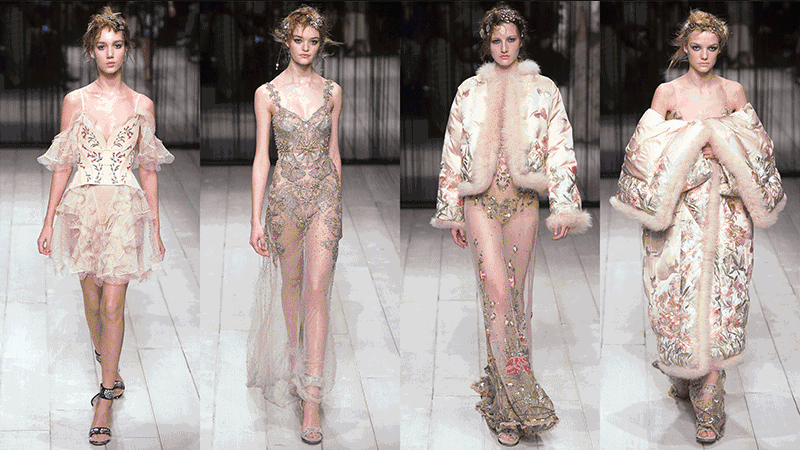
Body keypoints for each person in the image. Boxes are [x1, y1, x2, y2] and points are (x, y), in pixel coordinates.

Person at [610, 10, 785, 443]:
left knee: (725, 294)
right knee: (676, 291)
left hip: (727, 210)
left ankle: (710, 396)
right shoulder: (667, 93)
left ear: (719, 49)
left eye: (711, 48)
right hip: (678, 212)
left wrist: (719, 144)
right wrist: (695, 143)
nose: (703, 55)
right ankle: (685, 369)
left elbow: (758, 149)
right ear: (684, 48)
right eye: (696, 47)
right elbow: (643, 152)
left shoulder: (733, 91)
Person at [431, 4, 591, 446]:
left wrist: (564, 205)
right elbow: (452, 150)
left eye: (511, 40)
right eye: (496, 40)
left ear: (522, 42)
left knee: (516, 301)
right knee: (497, 293)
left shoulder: (543, 89)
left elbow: (560, 148)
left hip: (523, 202)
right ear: (488, 44)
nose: (504, 48)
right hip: (479, 203)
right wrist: (451, 210)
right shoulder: (469, 91)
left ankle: (503, 395)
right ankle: (512, 406)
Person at [35, 6, 173, 446]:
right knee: (92, 298)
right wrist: (48, 221)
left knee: (113, 304)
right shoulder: (74, 102)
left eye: (117, 45)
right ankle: (106, 358)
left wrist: (155, 228)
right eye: (101, 46)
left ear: (127, 51)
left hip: (124, 208)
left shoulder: (142, 105)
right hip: (82, 206)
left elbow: (148, 169)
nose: (110, 53)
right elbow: (63, 164)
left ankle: (105, 396)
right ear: (90, 52)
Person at [247, 5, 342, 446]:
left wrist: (338, 204)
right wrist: (255, 218)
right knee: (291, 285)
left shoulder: (332, 92)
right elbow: (262, 157)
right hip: (284, 198)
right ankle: (293, 358)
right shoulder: (267, 94)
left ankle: (312, 395)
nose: (306, 48)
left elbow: (334, 151)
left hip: (324, 197)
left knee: (317, 289)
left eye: (313, 41)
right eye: (299, 40)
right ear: (287, 41)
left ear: (321, 45)